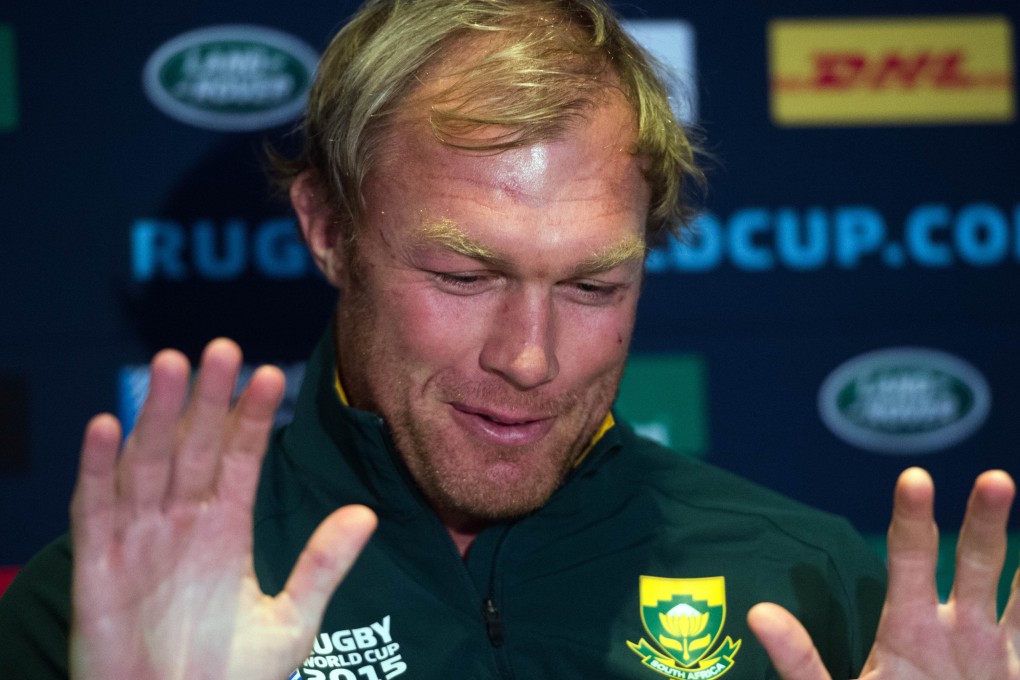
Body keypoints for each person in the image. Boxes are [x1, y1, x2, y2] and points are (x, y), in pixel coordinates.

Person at [1, 0, 1016, 678]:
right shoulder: (105, 610)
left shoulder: (820, 588)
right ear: (326, 227)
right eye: (463, 274)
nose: (528, 356)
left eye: (591, 283)